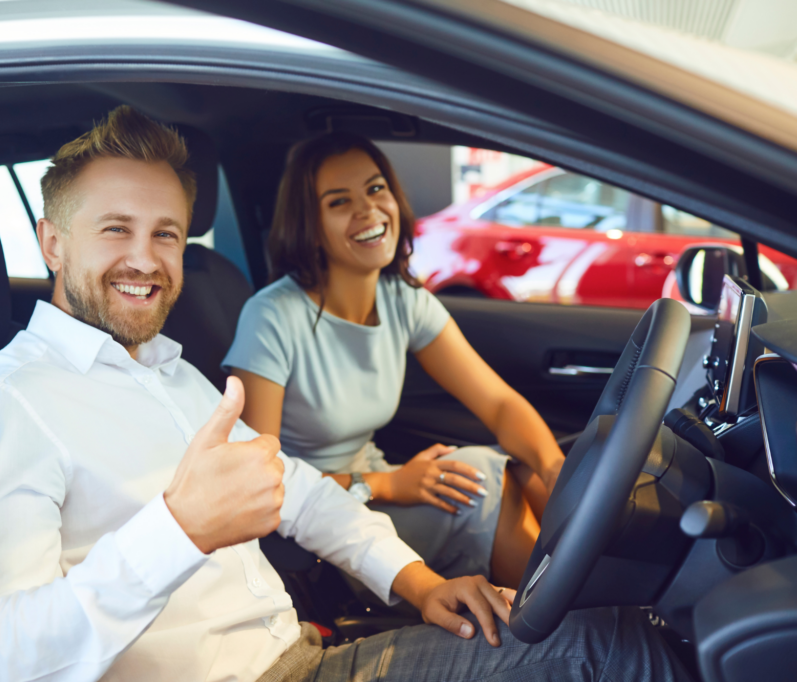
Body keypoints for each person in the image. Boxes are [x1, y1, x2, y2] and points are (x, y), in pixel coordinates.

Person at [0, 106, 689, 682]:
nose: (146, 258)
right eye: (115, 231)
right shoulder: (8, 407)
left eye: (166, 234)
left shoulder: (169, 373)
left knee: (624, 638)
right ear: (52, 244)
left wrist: (419, 583)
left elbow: (299, 492)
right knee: (610, 656)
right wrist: (179, 529)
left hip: (302, 655)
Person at [223, 133, 564, 588]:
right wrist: (384, 485)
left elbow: (499, 404)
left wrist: (555, 468)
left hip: (377, 481)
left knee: (521, 469)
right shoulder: (272, 316)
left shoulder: (402, 298)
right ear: (311, 225)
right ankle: (564, 628)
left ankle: (595, 612)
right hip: (319, 522)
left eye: (376, 188)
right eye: (339, 202)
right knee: (484, 487)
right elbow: (260, 481)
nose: (367, 210)